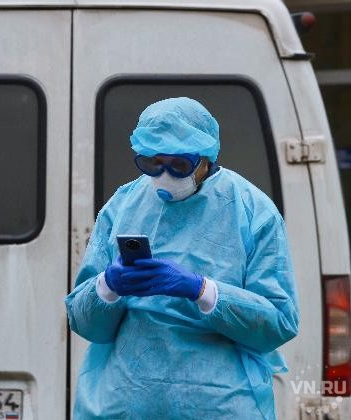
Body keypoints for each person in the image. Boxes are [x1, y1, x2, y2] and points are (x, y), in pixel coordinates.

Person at [65, 97, 299, 419]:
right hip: (122, 403)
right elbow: (84, 323)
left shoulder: (252, 211)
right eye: (152, 163)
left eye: (179, 165)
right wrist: (107, 286)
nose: (164, 175)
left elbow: (279, 323)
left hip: (218, 405)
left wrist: (203, 291)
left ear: (207, 158)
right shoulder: (123, 205)